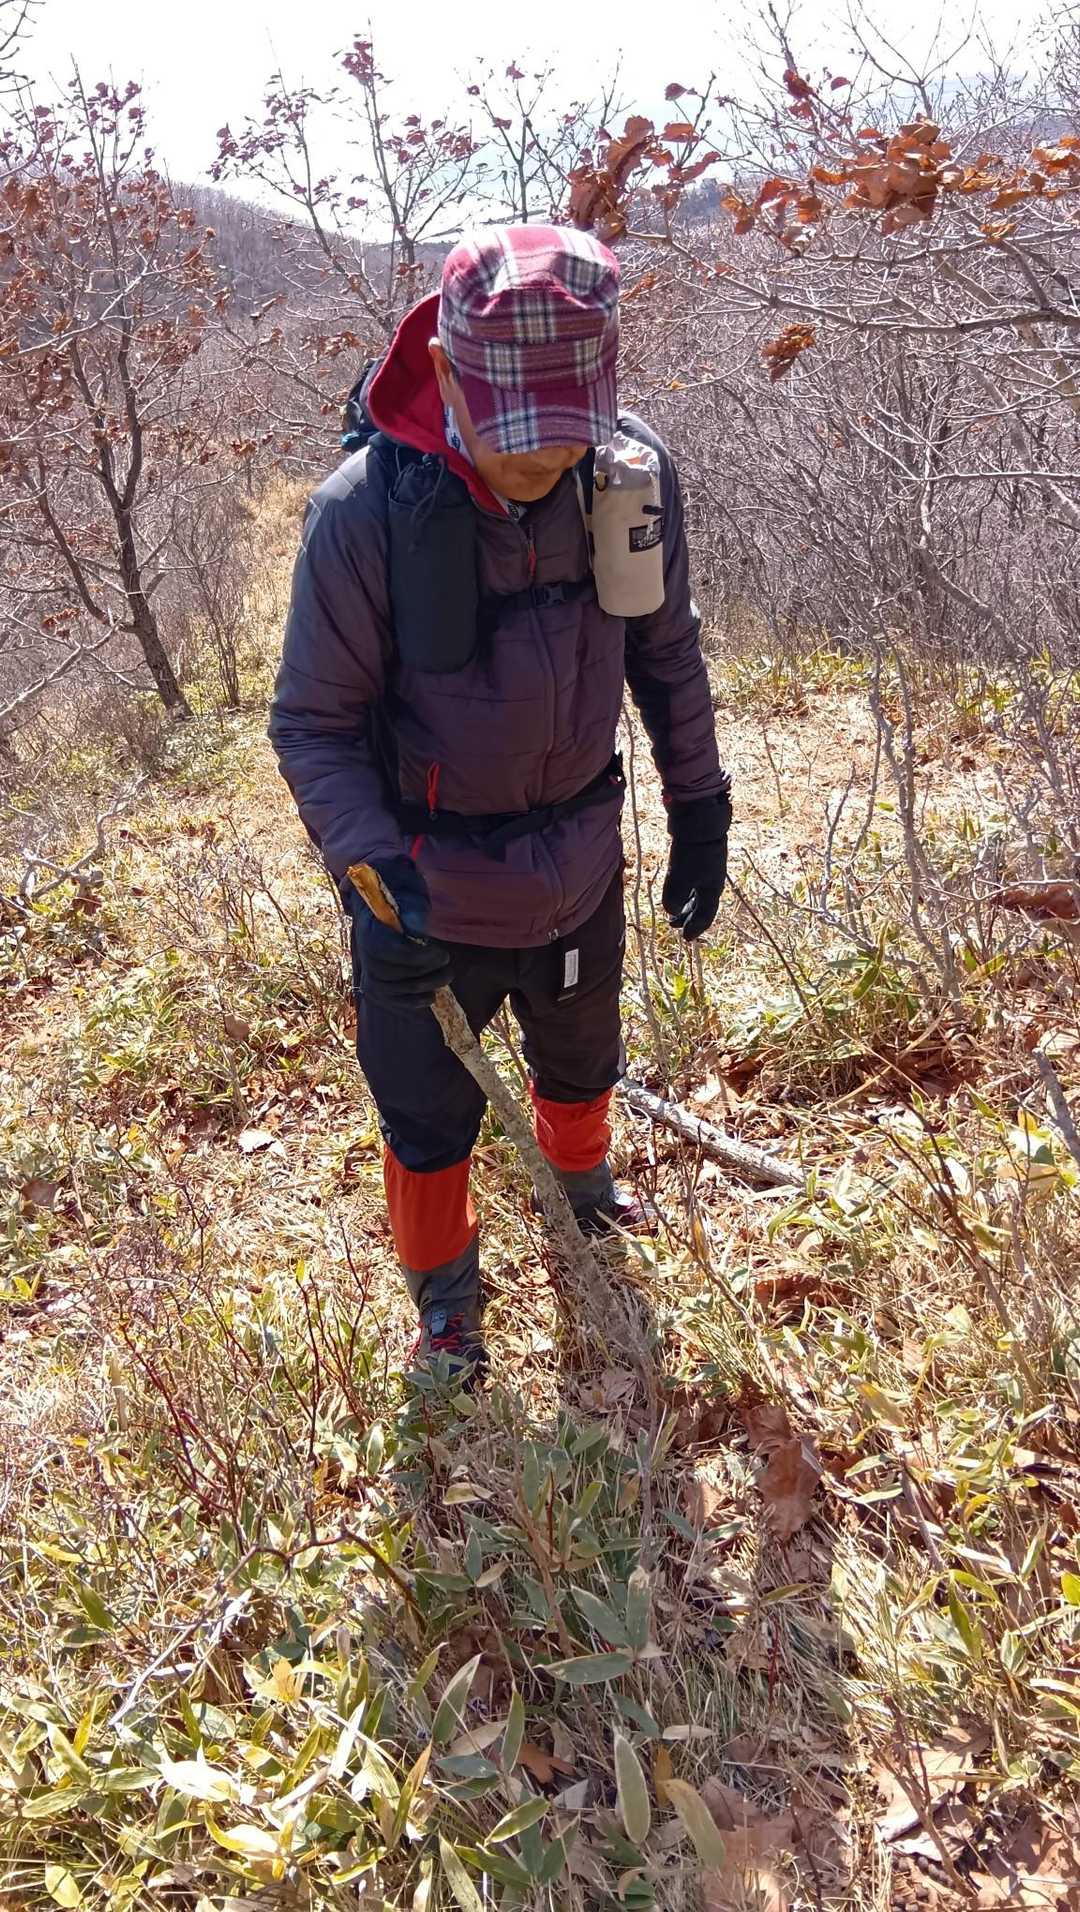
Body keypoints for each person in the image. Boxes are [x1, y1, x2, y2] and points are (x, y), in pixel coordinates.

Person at [270, 224, 730, 1378]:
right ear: (450, 375)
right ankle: (445, 1295)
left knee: (582, 1055)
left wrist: (700, 800)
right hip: (429, 896)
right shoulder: (363, 515)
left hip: (578, 863)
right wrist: (378, 885)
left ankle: (583, 1193)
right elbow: (313, 725)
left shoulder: (626, 478)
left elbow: (666, 650)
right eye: (517, 434)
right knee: (426, 1115)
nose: (542, 461)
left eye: (565, 432)